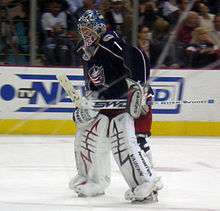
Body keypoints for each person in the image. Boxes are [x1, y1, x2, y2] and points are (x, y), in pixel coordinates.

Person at [69, 9, 161, 202]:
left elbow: (138, 55)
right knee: (85, 138)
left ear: (100, 28)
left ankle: (146, 183)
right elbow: (91, 82)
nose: (86, 33)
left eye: (89, 29)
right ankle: (93, 180)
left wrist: (140, 89)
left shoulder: (110, 42)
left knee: (124, 144)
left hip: (122, 105)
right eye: (82, 30)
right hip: (104, 105)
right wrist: (86, 105)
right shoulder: (85, 51)